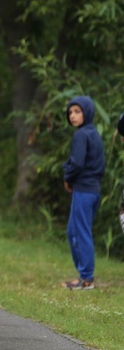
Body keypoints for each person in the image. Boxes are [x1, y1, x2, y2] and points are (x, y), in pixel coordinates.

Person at [62, 95, 105, 290]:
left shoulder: (81, 135)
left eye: (77, 111)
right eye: (70, 112)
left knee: (81, 233)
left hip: (84, 190)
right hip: (92, 190)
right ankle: (84, 275)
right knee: (73, 231)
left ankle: (86, 279)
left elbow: (77, 163)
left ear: (87, 113)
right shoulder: (94, 133)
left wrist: (68, 177)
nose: (72, 116)